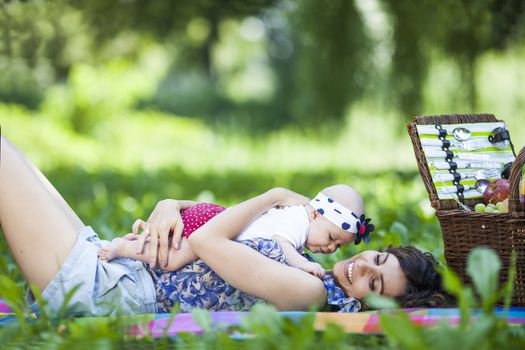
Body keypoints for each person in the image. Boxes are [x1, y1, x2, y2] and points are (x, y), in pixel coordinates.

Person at [0, 135, 449, 316]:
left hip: (109, 292)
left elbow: (205, 238)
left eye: (374, 285)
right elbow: (217, 223)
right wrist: (170, 204)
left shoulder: (309, 291)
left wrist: (273, 195)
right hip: (115, 270)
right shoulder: (308, 262)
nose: (359, 268)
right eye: (376, 259)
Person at [97, 184, 372, 278]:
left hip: (216, 216)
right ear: (315, 213)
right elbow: (280, 244)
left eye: (338, 247)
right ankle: (123, 248)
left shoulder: (296, 215)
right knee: (172, 260)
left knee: (169, 246)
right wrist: (303, 265)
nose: (330, 248)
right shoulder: (298, 223)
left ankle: (135, 242)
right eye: (331, 238)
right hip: (211, 225)